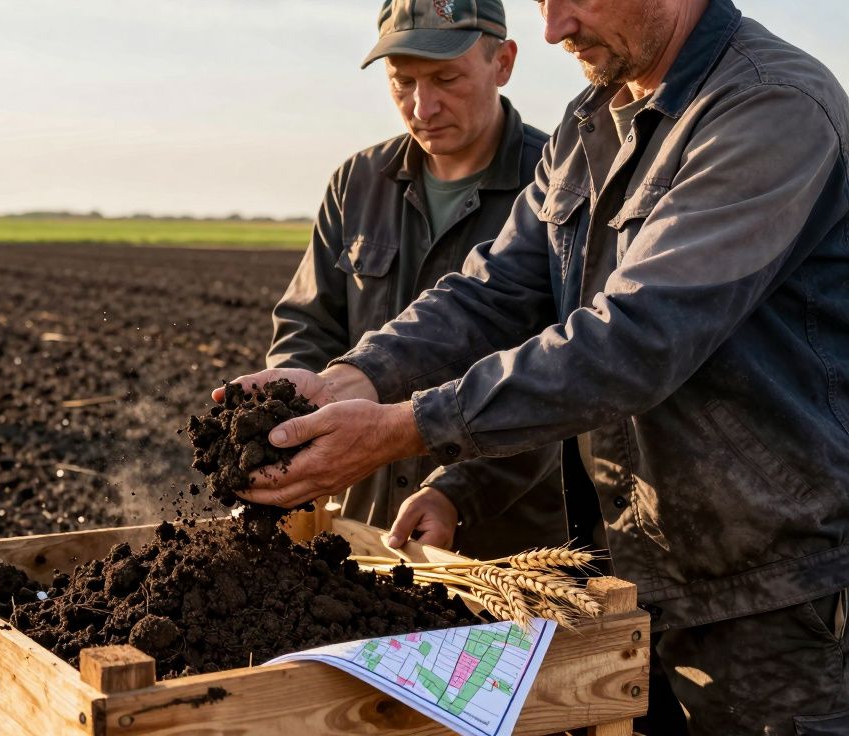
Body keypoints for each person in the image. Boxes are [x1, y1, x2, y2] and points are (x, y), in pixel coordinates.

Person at [218, 0, 849, 731]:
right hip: (619, 572)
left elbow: (634, 341)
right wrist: (351, 379)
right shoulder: (591, 126)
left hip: (765, 589)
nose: (554, 27)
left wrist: (407, 428)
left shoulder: (770, 107)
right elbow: (494, 291)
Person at [268, 0, 568, 559]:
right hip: (363, 525)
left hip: (508, 542)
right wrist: (289, 417)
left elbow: (570, 374)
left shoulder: (558, 185)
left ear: (503, 63)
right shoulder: (358, 182)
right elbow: (308, 324)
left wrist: (461, 491)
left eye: (446, 78)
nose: (422, 106)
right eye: (401, 82)